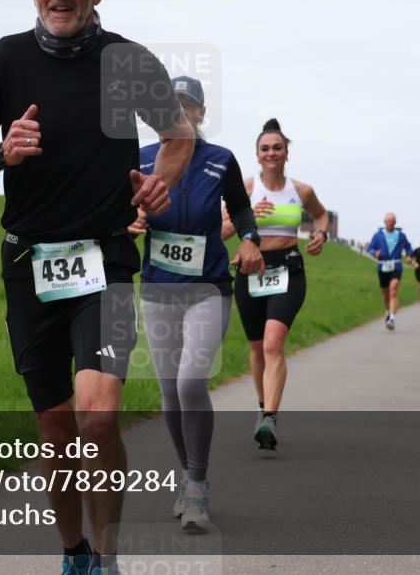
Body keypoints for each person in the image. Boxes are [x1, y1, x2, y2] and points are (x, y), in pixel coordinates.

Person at [0, 0, 194, 575]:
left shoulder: (128, 61)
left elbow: (178, 134)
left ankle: (106, 559)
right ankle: (73, 552)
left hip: (104, 260)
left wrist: (159, 182)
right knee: (56, 431)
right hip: (29, 266)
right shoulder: (5, 61)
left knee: (98, 416)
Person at [128, 76, 263, 529]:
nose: (181, 113)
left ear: (202, 114)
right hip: (158, 288)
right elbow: (121, 210)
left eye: (189, 107)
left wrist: (249, 240)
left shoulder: (219, 160)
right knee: (169, 393)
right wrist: (131, 220)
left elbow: (242, 210)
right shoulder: (142, 159)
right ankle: (189, 476)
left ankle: (198, 487)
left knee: (190, 384)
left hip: (207, 288)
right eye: (173, 106)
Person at [222, 118, 329, 450]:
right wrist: (252, 215)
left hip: (288, 271)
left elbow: (321, 215)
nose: (271, 153)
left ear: (286, 153)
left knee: (272, 343)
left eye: (277, 148)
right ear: (257, 154)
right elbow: (222, 231)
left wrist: (320, 234)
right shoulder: (248, 188)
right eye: (265, 149)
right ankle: (261, 405)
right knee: (257, 348)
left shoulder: (302, 191)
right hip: (251, 271)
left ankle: (270, 417)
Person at [367, 213, 414, 331]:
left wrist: (409, 256)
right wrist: (375, 253)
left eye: (392, 221)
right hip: (382, 266)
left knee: (393, 291)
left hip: (396, 265)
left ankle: (392, 319)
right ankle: (388, 311)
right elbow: (370, 248)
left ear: (395, 222)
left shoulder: (401, 235)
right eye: (388, 221)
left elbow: (409, 247)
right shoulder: (378, 235)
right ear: (384, 222)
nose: (390, 223)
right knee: (386, 294)